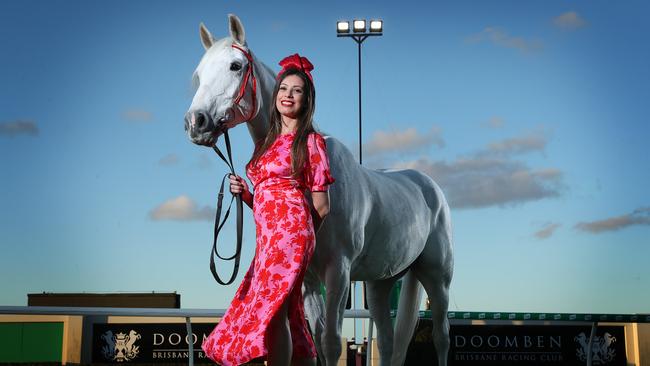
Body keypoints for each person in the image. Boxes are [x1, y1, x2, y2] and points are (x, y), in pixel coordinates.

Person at [202, 53, 335, 366]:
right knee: (289, 313)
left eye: (297, 90)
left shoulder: (311, 142)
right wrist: (247, 195)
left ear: (308, 99)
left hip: (290, 238)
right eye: (283, 88)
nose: (288, 94)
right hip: (269, 238)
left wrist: (297, 239)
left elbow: (322, 205)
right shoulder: (267, 143)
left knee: (272, 310)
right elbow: (267, 201)